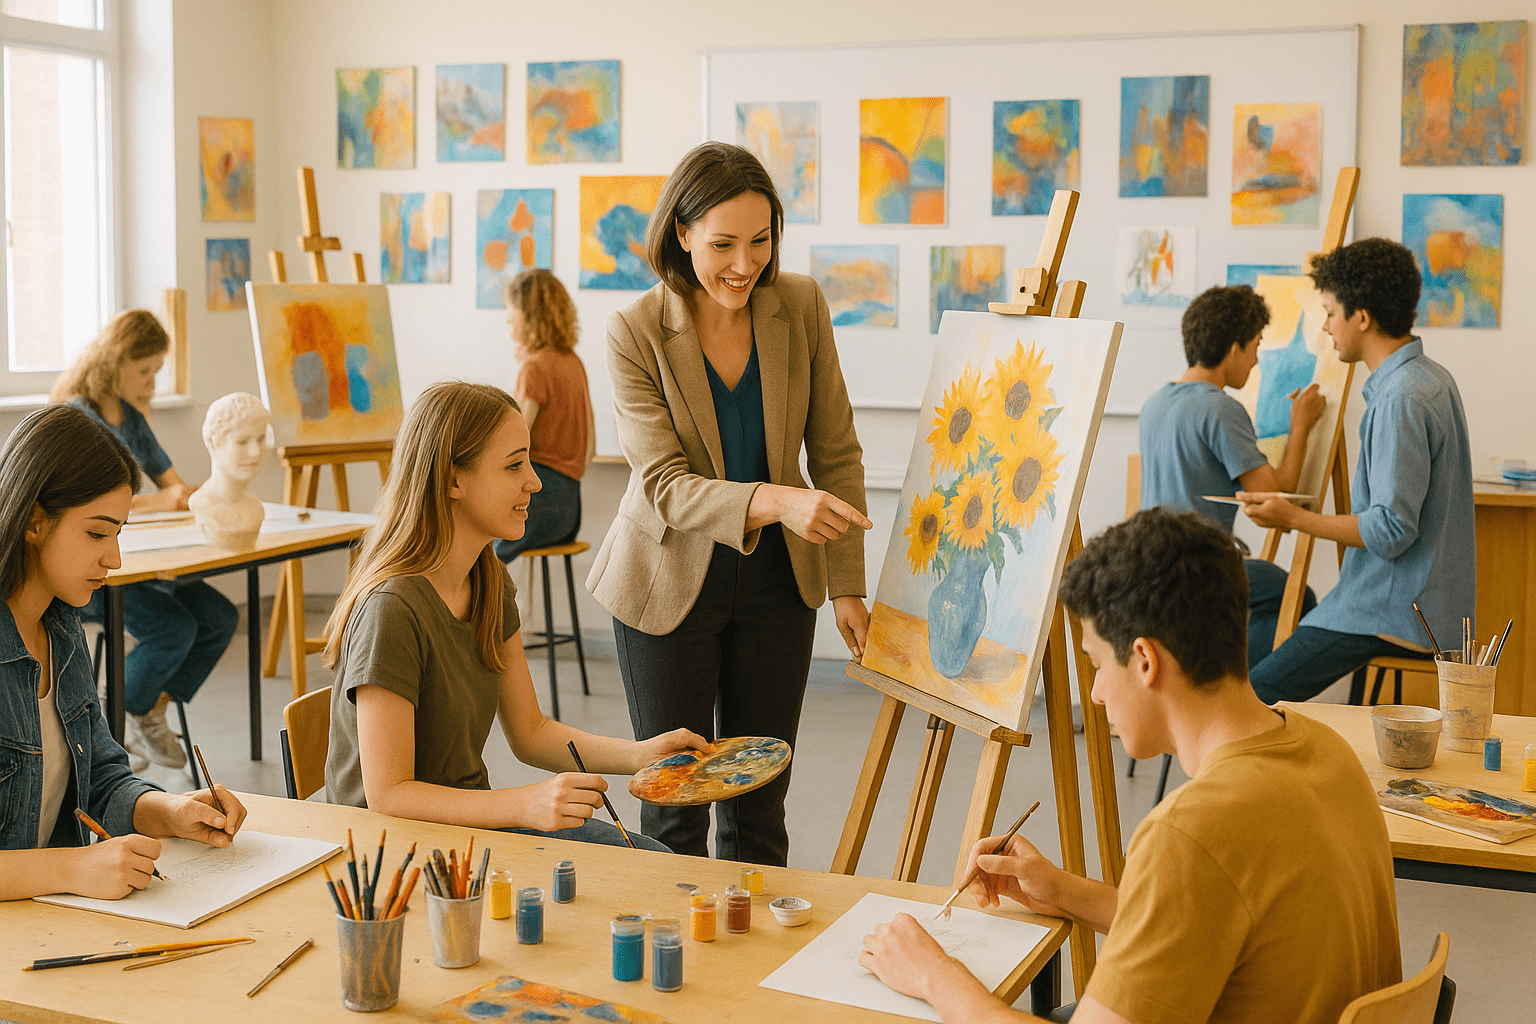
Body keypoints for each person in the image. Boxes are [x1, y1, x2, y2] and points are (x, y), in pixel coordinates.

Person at [858, 508, 1401, 1024]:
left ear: (1145, 661)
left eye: (1095, 662)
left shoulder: (1191, 832)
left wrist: (934, 975)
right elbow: (1211, 922)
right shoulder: (1327, 750)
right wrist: (1064, 892)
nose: (1093, 693)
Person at [588, 141, 870, 865]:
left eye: (760, 240)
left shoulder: (800, 304)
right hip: (666, 582)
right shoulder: (634, 332)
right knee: (676, 802)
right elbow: (665, 486)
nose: (744, 264)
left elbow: (835, 448)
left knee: (758, 801)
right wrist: (779, 501)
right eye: (722, 244)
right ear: (681, 235)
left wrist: (848, 585)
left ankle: (748, 970)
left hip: (780, 582)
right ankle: (672, 969)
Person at [322, 380, 707, 850]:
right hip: (390, 849)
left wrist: (640, 756)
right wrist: (524, 804)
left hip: (462, 830)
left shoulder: (488, 579)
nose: (536, 481)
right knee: (649, 867)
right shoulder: (392, 610)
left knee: (654, 861)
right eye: (513, 465)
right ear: (452, 480)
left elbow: (531, 733)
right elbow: (388, 795)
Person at [0, 406, 246, 902]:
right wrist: (71, 870)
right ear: (32, 522)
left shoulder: (62, 629)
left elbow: (105, 781)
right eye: (96, 533)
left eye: (118, 534)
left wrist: (170, 811)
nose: (114, 559)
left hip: (50, 924)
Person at [1242, 238, 1475, 704]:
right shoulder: (1431, 378)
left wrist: (1294, 519)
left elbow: (1391, 531)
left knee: (1251, 697)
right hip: (1416, 605)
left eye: (1330, 312)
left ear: (1362, 317)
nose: (1325, 327)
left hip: (1391, 611)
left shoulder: (1401, 398)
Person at [52, 310, 239, 771]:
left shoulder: (132, 417)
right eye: (144, 371)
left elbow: (175, 484)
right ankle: (120, 710)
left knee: (218, 617)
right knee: (174, 628)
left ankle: (144, 708)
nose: (153, 381)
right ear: (113, 362)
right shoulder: (79, 416)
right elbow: (88, 507)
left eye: (157, 371)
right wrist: (162, 502)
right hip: (95, 567)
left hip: (138, 557)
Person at [1139, 284, 1325, 664]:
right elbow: (1275, 496)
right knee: (1294, 595)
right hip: (1199, 567)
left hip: (1149, 562)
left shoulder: (1155, 402)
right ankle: (1243, 691)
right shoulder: (1221, 409)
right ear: (1234, 346)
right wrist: (1301, 425)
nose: (1257, 359)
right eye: (1256, 344)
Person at [492, 269, 595, 564]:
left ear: (528, 315)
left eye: (511, 316)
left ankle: (471, 607)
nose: (509, 323)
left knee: (473, 544)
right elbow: (591, 448)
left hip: (537, 506)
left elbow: (513, 443)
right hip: (569, 512)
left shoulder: (534, 367)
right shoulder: (573, 362)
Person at [187, 392, 271, 550]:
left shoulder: (255, 508)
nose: (255, 452)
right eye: (242, 442)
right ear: (212, 443)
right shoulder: (204, 505)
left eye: (261, 439)